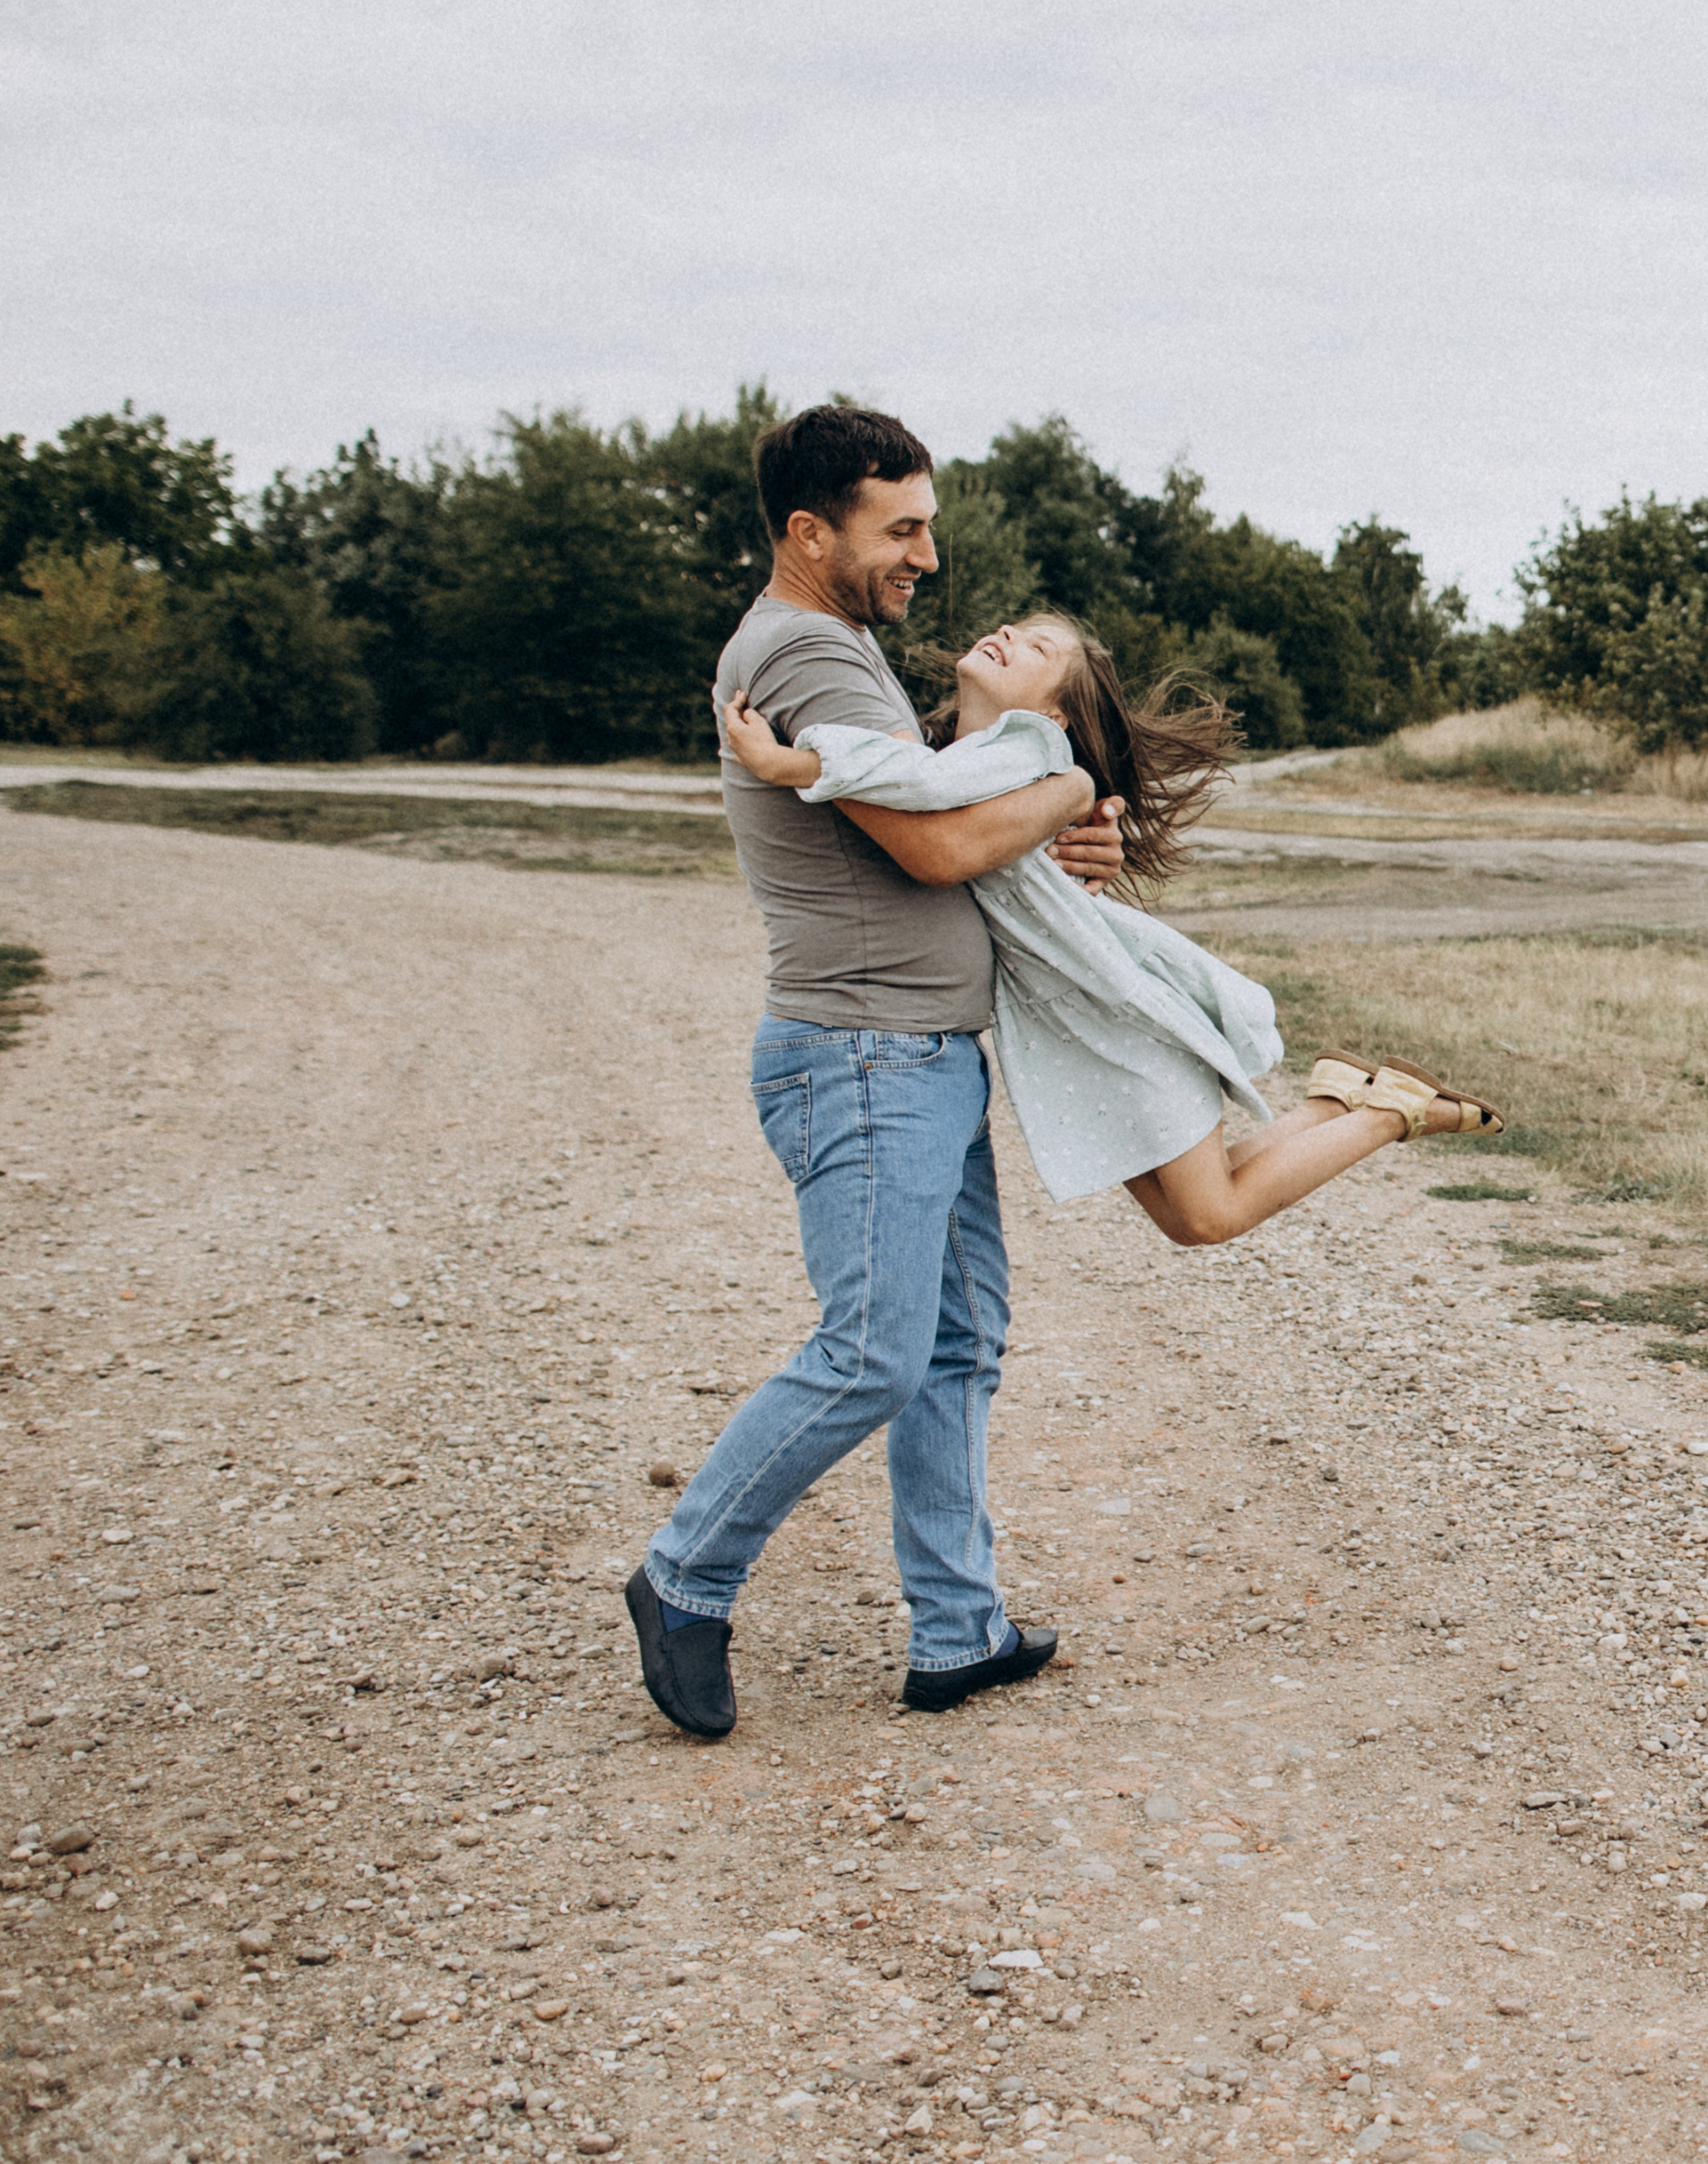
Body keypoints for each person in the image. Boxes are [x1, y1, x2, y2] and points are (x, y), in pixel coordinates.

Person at [624, 405, 1128, 1739]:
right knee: (872, 1354)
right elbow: (937, 846)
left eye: (927, 526)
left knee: (955, 1346)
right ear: (810, 532)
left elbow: (948, 810)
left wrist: (1060, 830)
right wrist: (1068, 786)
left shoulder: (831, 646)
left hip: (914, 1056)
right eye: (900, 529)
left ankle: (958, 1629)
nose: (926, 557)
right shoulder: (808, 653)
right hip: (865, 1056)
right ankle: (684, 1575)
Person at [724, 610, 1507, 1243]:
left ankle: (1391, 1111)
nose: (1006, 634)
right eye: (1013, 628)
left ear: (1054, 713)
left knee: (1209, 1216)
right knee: (1187, 1215)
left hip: (1111, 1019)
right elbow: (927, 781)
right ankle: (1333, 1102)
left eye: (1037, 648)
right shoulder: (980, 759)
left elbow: (915, 782)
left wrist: (784, 763)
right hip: (1079, 1030)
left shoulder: (1022, 749)